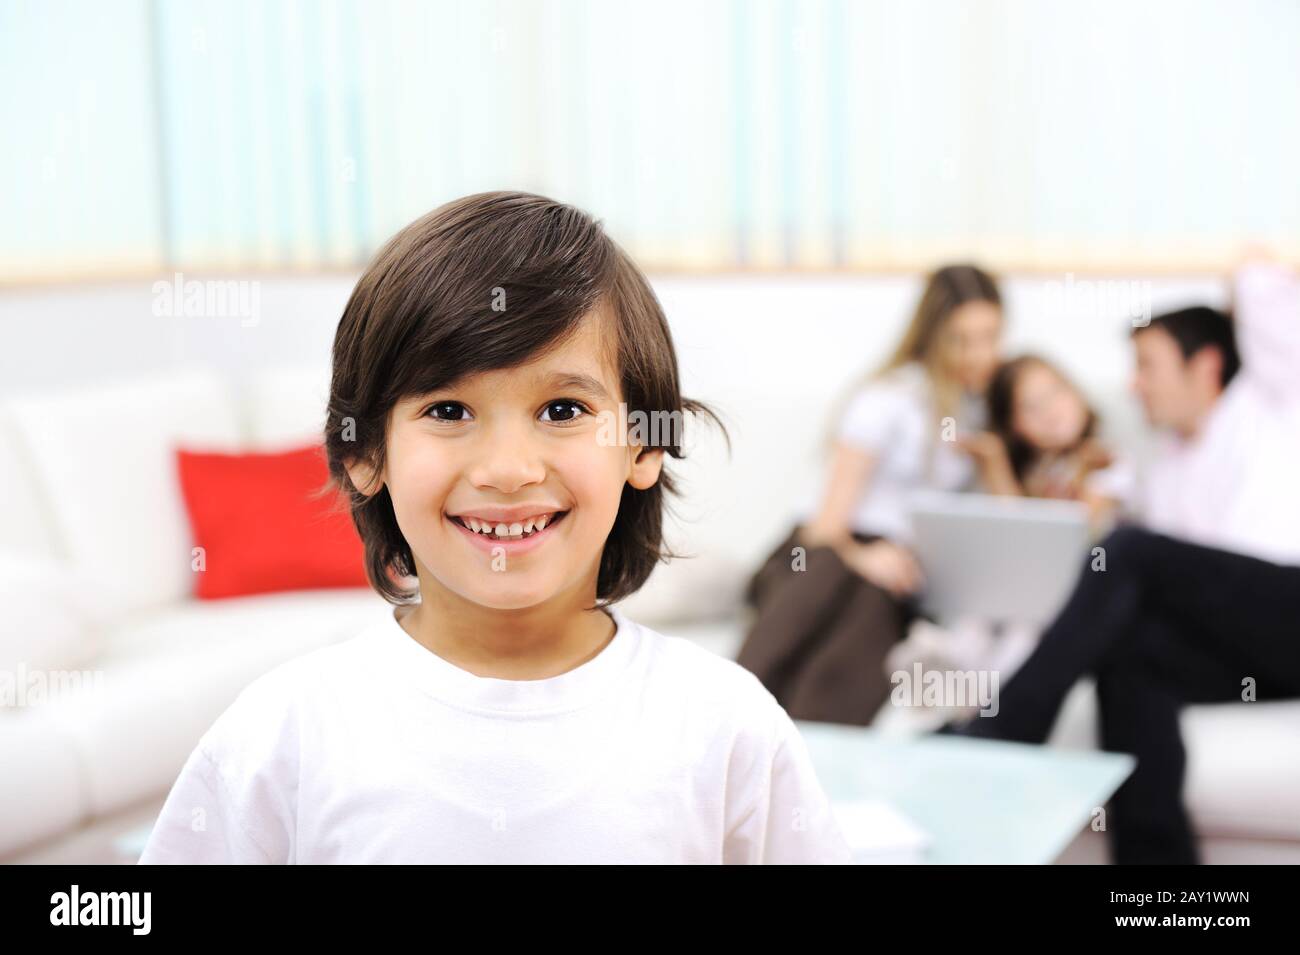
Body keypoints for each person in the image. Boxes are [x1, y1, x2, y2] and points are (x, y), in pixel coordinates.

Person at [137, 192, 851, 864]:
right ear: (363, 454)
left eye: (563, 410)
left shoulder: (727, 728)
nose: (508, 469)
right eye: (448, 411)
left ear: (642, 443)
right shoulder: (281, 733)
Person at [940, 257, 1300, 865]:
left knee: (1130, 551)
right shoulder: (1165, 469)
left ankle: (1002, 732)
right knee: (1129, 654)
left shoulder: (1272, 403)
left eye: (1147, 366)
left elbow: (1263, 286)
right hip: (1254, 652)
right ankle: (1162, 887)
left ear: (1207, 366)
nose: (1134, 384)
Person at [736, 264, 1004, 726]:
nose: (980, 353)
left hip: (895, 574)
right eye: (964, 338)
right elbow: (826, 528)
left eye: (991, 336)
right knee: (849, 580)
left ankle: (794, 744)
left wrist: (994, 458)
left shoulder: (981, 412)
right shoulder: (889, 398)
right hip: (820, 554)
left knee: (875, 601)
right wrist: (865, 556)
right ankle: (737, 716)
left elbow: (1004, 525)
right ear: (934, 335)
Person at [889, 353, 1134, 696]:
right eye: (1032, 407)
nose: (1051, 411)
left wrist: (1074, 477)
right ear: (1015, 425)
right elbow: (1019, 531)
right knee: (982, 612)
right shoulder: (1034, 471)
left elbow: (1083, 529)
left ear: (1077, 393)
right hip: (1031, 584)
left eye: (1056, 392)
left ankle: (984, 697)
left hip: (1082, 588)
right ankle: (948, 663)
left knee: (1023, 628)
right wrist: (996, 463)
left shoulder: (1106, 462)